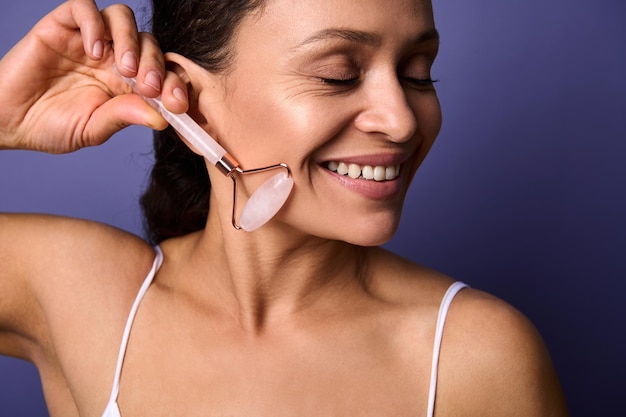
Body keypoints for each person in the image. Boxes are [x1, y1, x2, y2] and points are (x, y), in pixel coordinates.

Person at [0, 0, 569, 415]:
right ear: (186, 101)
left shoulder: (477, 359)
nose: (400, 121)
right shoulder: (83, 294)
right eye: (338, 75)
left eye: (417, 73)